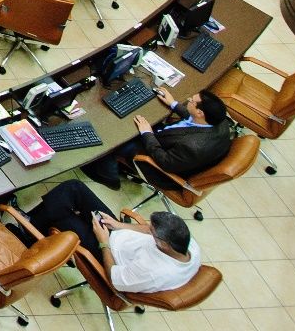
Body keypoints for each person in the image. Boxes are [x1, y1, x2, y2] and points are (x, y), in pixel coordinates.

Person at [21, 183, 200, 294]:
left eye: (153, 232)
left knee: (63, 218)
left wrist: (103, 242)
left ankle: (26, 233)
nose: (149, 229)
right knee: (74, 189)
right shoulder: (186, 242)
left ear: (163, 244)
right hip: (116, 235)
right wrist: (118, 225)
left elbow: (115, 280)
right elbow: (147, 229)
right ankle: (29, 223)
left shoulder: (153, 272)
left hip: (107, 254)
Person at [92, 90, 234, 190]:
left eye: (191, 101)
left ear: (199, 112)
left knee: (114, 142)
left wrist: (147, 133)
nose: (189, 100)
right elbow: (195, 121)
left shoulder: (193, 147)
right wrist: (173, 104)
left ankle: (109, 177)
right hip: (170, 141)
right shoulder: (220, 121)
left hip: (157, 166)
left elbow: (165, 162)